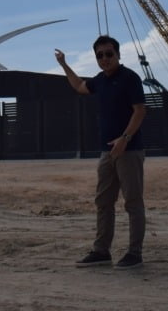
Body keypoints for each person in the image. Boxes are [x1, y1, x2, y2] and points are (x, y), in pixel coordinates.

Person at [55, 35, 147, 270]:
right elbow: (78, 86)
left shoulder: (130, 78)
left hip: (129, 150)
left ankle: (134, 253)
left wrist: (125, 139)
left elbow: (139, 111)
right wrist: (64, 64)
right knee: (103, 202)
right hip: (107, 152)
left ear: (118, 54)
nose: (104, 59)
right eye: (100, 55)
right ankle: (101, 251)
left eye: (109, 54)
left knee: (133, 202)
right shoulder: (99, 81)